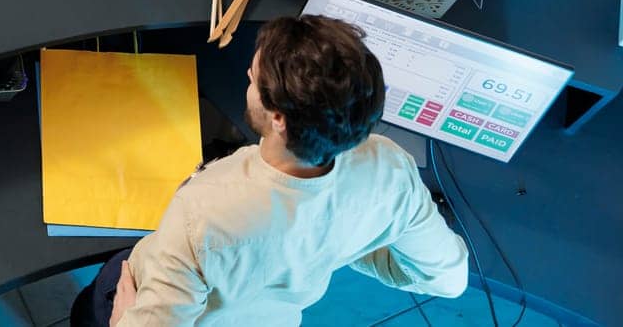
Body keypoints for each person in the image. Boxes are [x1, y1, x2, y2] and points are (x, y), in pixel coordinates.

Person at [71, 16, 469, 326]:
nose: (247, 75)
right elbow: (449, 278)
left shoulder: (202, 213)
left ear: (278, 118)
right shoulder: (390, 168)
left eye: (254, 79)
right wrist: (341, 240)